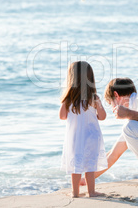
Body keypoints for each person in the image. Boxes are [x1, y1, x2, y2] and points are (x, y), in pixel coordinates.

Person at [59, 61, 108, 197]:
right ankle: (91, 192)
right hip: (92, 136)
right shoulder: (94, 98)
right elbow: (103, 117)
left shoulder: (68, 99)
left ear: (71, 78)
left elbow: (62, 116)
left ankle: (75, 192)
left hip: (75, 137)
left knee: (76, 165)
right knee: (90, 165)